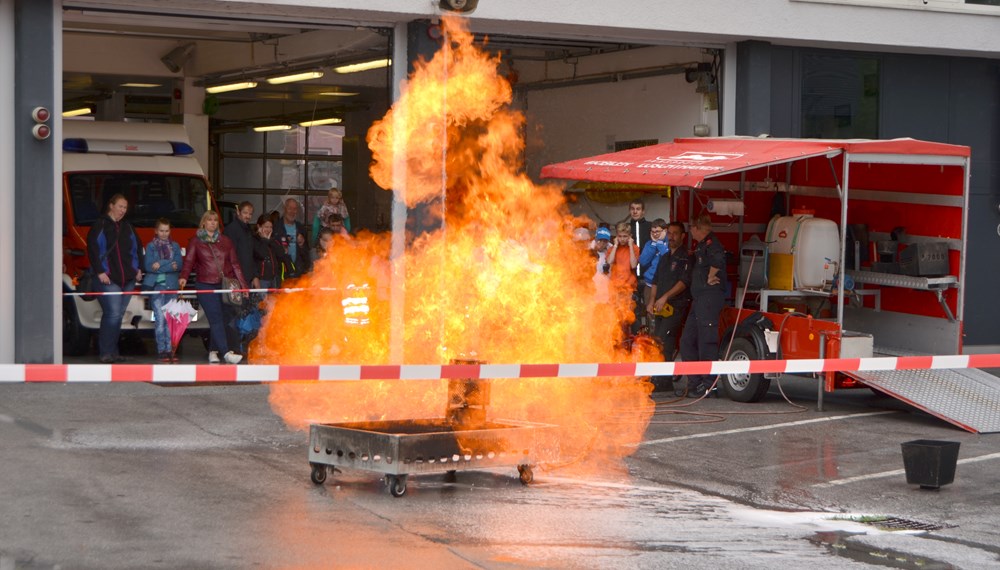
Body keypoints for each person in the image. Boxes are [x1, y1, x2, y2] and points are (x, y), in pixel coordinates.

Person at [178, 211, 248, 365]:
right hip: (205, 285)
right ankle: (226, 353)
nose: (212, 223)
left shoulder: (226, 241)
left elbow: (235, 264)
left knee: (223, 319)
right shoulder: (196, 241)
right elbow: (189, 261)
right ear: (203, 223)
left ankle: (213, 351)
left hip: (224, 285)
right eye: (209, 220)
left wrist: (243, 286)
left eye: (215, 220)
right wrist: (183, 276)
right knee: (215, 318)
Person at [86, 193, 143, 364]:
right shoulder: (100, 225)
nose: (123, 210)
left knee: (117, 315)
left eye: (125, 208)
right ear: (111, 206)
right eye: (120, 206)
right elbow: (93, 249)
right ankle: (106, 352)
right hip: (108, 279)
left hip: (128, 279)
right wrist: (100, 271)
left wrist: (138, 268)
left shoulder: (128, 227)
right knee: (112, 314)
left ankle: (112, 352)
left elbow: (137, 248)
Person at [680, 214, 729, 398]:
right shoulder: (700, 246)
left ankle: (709, 384)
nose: (691, 231)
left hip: (709, 299)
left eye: (692, 227)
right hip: (698, 298)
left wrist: (710, 276)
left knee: (706, 341)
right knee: (687, 340)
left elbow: (718, 260)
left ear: (699, 228)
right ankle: (694, 382)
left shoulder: (712, 243)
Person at [646, 222, 692, 394]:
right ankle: (657, 378)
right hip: (659, 307)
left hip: (675, 307)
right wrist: (652, 301)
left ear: (682, 236)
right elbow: (655, 281)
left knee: (665, 341)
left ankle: (664, 382)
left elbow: (683, 283)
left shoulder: (686, 257)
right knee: (656, 341)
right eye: (670, 233)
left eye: (675, 234)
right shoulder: (664, 257)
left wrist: (665, 297)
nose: (671, 237)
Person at [142, 218, 183, 363]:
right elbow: (147, 266)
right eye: (161, 231)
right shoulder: (151, 246)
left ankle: (170, 351)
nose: (164, 234)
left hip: (171, 287)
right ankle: (162, 350)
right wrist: (169, 264)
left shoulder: (176, 246)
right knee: (160, 320)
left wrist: (159, 263)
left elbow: (178, 265)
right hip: (157, 288)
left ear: (170, 231)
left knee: (170, 320)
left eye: (167, 231)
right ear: (156, 231)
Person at [223, 201, 259, 355]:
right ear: (238, 212)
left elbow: (250, 256)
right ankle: (234, 347)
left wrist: (254, 275)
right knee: (235, 314)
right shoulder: (231, 230)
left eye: (250, 214)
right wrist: (237, 280)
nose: (248, 216)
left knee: (245, 313)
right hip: (236, 280)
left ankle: (243, 346)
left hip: (247, 278)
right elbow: (231, 258)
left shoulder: (247, 230)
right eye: (245, 213)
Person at [606, 222, 639, 334]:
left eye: (625, 236)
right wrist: (615, 245)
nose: (622, 239)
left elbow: (634, 265)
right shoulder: (612, 248)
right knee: (615, 318)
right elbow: (609, 261)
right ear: (617, 236)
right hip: (615, 287)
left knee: (626, 319)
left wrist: (630, 246)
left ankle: (627, 344)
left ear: (630, 236)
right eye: (620, 236)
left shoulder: (634, 248)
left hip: (628, 288)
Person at [252, 214, 293, 291]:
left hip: (274, 278)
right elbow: (261, 254)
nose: (268, 229)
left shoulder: (273, 240)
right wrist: (265, 240)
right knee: (262, 302)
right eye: (266, 227)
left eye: (270, 227)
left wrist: (270, 241)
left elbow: (281, 253)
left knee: (273, 302)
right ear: (259, 226)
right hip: (261, 279)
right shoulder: (254, 240)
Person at [272, 198, 311, 277]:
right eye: (290, 208)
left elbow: (306, 254)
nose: (292, 212)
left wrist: (302, 245)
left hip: (298, 273)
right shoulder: (275, 228)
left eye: (295, 209)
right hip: (281, 273)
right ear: (284, 208)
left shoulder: (301, 228)